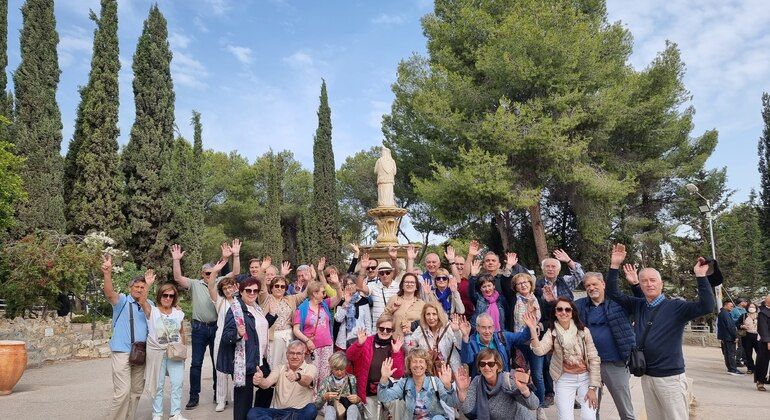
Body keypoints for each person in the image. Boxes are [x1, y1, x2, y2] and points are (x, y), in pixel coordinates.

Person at [606, 243, 715, 420]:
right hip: (647, 376)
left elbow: (707, 306)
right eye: (644, 281)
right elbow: (612, 293)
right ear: (639, 285)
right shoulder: (639, 305)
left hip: (670, 378)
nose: (649, 284)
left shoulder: (676, 307)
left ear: (661, 284)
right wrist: (614, 265)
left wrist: (701, 277)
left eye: (653, 280)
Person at [171, 240, 241, 409]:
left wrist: (235, 255)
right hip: (199, 328)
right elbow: (177, 278)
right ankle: (194, 396)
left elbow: (236, 272)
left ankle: (219, 394)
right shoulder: (194, 284)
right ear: (202, 274)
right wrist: (176, 260)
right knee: (196, 363)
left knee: (219, 362)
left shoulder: (220, 281)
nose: (209, 276)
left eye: (212, 272)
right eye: (206, 273)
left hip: (217, 327)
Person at [524, 299, 600, 420]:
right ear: (555, 313)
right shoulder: (552, 333)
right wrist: (533, 329)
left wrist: (592, 387)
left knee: (589, 416)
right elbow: (539, 350)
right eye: (559, 309)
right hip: (564, 378)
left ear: (572, 312)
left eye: (567, 309)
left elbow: (594, 359)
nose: (563, 312)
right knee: (565, 417)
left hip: (586, 378)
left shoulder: (583, 331)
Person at [574, 272, 636, 420]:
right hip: (589, 365)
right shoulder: (579, 305)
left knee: (625, 409)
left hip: (615, 364)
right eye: (588, 285)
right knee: (591, 409)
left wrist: (635, 285)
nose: (591, 287)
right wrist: (551, 302)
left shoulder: (619, 303)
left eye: (595, 284)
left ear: (603, 284)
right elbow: (561, 311)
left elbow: (641, 303)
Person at [102, 254, 155, 420]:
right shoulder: (122, 301)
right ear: (130, 287)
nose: (139, 289)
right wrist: (107, 273)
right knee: (123, 392)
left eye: (142, 287)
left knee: (136, 392)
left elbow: (149, 315)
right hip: (122, 351)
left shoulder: (149, 304)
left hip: (140, 352)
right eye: (137, 287)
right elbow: (110, 294)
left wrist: (146, 294)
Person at [217, 277, 276, 420]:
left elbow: (257, 329)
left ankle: (257, 417)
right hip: (244, 362)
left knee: (267, 388)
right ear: (241, 291)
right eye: (248, 290)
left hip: (260, 359)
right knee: (243, 402)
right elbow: (226, 336)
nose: (252, 293)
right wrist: (238, 333)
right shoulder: (236, 309)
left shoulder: (256, 308)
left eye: (255, 290)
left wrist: (272, 316)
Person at [346, 313, 406, 420]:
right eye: (382, 328)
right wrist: (359, 344)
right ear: (377, 328)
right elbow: (350, 356)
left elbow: (398, 374)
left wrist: (396, 353)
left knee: (398, 404)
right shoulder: (367, 341)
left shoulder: (396, 345)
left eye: (388, 330)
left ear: (392, 331)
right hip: (369, 392)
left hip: (388, 390)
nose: (384, 332)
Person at [292, 272, 343, 391]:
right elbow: (296, 329)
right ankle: (311, 404)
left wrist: (337, 285)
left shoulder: (325, 304)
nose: (324, 295)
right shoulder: (302, 309)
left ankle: (322, 404)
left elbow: (339, 297)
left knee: (324, 376)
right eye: (322, 292)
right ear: (314, 293)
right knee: (312, 376)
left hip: (327, 346)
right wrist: (307, 340)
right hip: (312, 348)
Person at [455, 349, 539, 420]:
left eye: (491, 364)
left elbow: (534, 405)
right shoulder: (477, 381)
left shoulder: (508, 381)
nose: (486, 367)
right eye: (482, 364)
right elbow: (468, 412)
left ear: (498, 366)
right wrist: (463, 391)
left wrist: (524, 389)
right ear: (479, 367)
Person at [145, 280, 187, 420]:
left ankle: (175, 413)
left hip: (175, 352)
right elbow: (141, 300)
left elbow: (182, 332)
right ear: (159, 296)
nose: (168, 298)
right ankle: (157, 414)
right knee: (158, 384)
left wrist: (184, 351)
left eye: (171, 296)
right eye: (165, 295)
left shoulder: (178, 313)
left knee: (177, 382)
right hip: (157, 352)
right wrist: (148, 284)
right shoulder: (153, 311)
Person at [377, 349, 458, 419]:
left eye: (421, 361)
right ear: (409, 365)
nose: (418, 365)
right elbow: (383, 397)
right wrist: (384, 378)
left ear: (426, 365)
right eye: (414, 361)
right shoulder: (403, 383)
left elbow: (452, 403)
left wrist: (448, 386)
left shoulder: (434, 381)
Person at [256, 257, 307, 368]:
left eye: (282, 286)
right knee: (273, 367)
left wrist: (311, 279)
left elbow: (305, 294)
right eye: (277, 286)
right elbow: (261, 283)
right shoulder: (265, 298)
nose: (279, 288)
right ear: (272, 287)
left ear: (285, 289)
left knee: (288, 366)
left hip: (289, 337)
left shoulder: (290, 299)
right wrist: (262, 269)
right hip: (273, 339)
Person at [250, 340, 318, 419]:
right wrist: (260, 380)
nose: (295, 356)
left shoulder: (311, 367)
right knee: (253, 412)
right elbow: (267, 384)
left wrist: (297, 377)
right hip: (279, 412)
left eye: (298, 353)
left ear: (303, 355)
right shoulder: (280, 368)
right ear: (287, 355)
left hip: (299, 412)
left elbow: (307, 381)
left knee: (311, 409)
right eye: (291, 353)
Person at [510, 272, 547, 418]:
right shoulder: (514, 301)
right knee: (521, 374)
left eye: (526, 282)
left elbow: (547, 320)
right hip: (519, 342)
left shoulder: (539, 300)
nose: (523, 285)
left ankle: (540, 406)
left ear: (531, 284)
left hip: (535, 342)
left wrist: (539, 326)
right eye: (519, 283)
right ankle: (524, 406)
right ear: (516, 287)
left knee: (537, 375)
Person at [460, 313, 531, 377]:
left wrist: (529, 325)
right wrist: (465, 336)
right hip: (482, 384)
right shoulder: (472, 342)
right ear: (477, 328)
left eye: (489, 327)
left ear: (493, 327)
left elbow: (523, 337)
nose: (487, 331)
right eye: (483, 327)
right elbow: (467, 360)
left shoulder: (502, 337)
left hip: (502, 382)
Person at [465, 240, 528, 308]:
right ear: (483, 265)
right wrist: (470, 256)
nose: (490, 262)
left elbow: (526, 278)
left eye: (493, 260)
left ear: (499, 265)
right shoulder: (478, 280)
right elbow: (471, 292)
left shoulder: (506, 278)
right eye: (487, 260)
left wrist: (515, 265)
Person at [209, 269, 238, 412]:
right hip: (221, 337)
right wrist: (215, 271)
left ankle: (236, 399)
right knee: (220, 370)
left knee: (236, 369)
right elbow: (210, 286)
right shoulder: (219, 301)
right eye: (225, 288)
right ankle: (221, 400)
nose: (227, 290)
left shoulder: (241, 302)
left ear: (235, 287)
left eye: (230, 287)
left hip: (238, 338)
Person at [404, 302, 463, 371]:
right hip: (430, 371)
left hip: (451, 368)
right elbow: (410, 347)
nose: (431, 318)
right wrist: (407, 336)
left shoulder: (449, 327)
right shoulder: (421, 329)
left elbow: (460, 346)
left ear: (439, 315)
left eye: (434, 314)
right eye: (428, 314)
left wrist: (456, 331)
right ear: (424, 316)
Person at [357, 252, 403, 325]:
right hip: (377, 328)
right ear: (378, 275)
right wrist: (363, 268)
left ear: (391, 273)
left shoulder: (399, 287)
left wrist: (394, 259)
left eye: (387, 272)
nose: (385, 275)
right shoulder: (373, 286)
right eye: (382, 273)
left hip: (394, 327)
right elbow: (359, 287)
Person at [315, 352, 362, 420]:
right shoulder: (327, 381)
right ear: (331, 368)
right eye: (336, 369)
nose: (339, 372)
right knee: (329, 409)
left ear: (346, 367)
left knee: (353, 408)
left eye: (342, 369)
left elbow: (361, 409)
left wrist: (358, 400)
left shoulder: (352, 379)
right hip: (336, 413)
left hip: (351, 414)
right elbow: (317, 406)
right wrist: (324, 397)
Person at [334, 273, 373, 350]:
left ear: (356, 285)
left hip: (360, 339)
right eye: (347, 284)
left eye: (352, 283)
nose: (349, 286)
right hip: (343, 341)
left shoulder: (363, 301)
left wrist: (368, 340)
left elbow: (368, 322)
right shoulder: (341, 301)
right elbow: (338, 319)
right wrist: (346, 303)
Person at [384, 272, 426, 339]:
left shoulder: (422, 304)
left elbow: (425, 323)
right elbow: (382, 319)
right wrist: (392, 310)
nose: (409, 284)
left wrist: (412, 325)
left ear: (416, 287)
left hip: (414, 342)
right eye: (406, 282)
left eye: (412, 282)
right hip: (394, 340)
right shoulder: (394, 299)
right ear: (402, 285)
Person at [717, 299, 742, 375]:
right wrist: (735, 336)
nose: (732, 307)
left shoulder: (722, 313)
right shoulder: (725, 314)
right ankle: (733, 369)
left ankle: (730, 368)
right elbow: (730, 326)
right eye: (730, 306)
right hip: (729, 337)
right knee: (731, 354)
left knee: (727, 353)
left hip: (725, 337)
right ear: (725, 305)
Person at [739, 302, 759, 375]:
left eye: (753, 307)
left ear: (756, 308)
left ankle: (759, 368)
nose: (752, 308)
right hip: (747, 336)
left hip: (758, 336)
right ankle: (750, 368)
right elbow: (737, 324)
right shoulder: (744, 315)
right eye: (750, 307)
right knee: (748, 353)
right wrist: (742, 326)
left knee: (759, 353)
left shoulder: (759, 316)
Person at [756, 295, 770, 391]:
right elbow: (763, 328)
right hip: (766, 342)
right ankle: (760, 381)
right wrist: (768, 340)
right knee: (763, 362)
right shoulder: (763, 313)